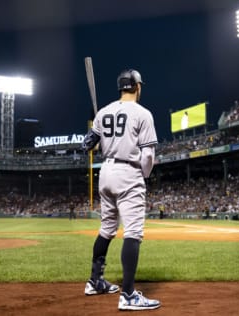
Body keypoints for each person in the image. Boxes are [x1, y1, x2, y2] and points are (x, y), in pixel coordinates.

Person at [82, 69, 160, 311]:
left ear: (120, 88)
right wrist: (143, 175)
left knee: (107, 229)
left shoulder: (103, 112)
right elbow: (148, 154)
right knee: (133, 232)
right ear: (137, 87)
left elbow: (86, 144)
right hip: (128, 171)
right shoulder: (142, 113)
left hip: (105, 172)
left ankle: (95, 281)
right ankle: (127, 295)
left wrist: (93, 135)